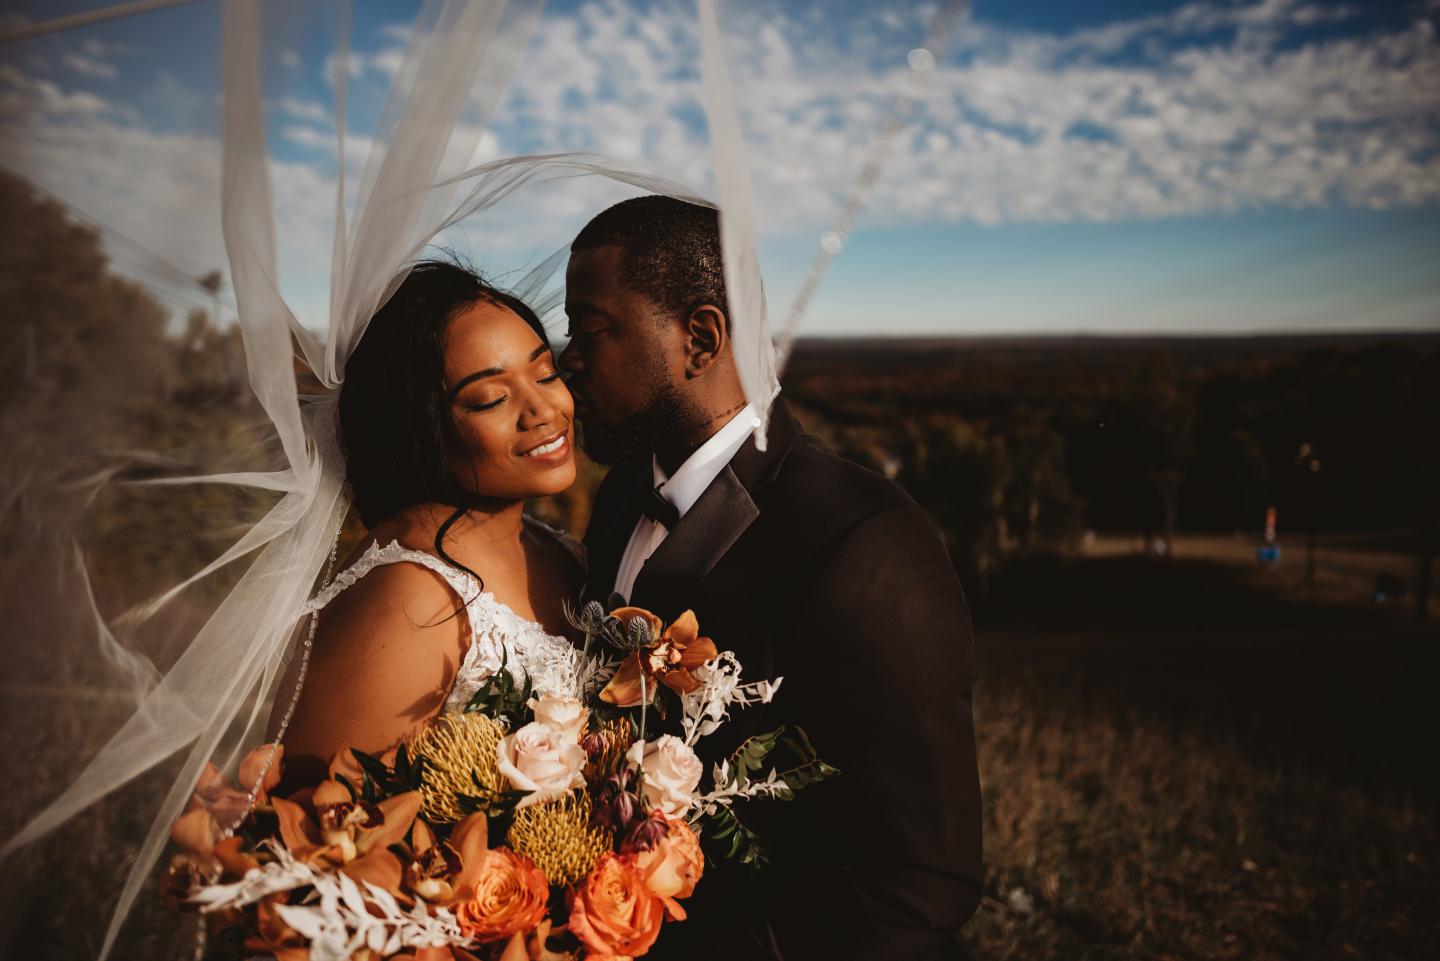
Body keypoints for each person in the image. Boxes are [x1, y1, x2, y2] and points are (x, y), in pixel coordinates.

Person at [561, 195, 983, 960]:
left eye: (589, 329)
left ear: (700, 337)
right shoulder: (623, 494)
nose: (566, 359)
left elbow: (920, 882)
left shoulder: (865, 542)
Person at [273, 260, 587, 788]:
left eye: (545, 373)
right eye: (491, 399)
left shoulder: (563, 552)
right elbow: (314, 834)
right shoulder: (408, 598)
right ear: (422, 428)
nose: (542, 410)